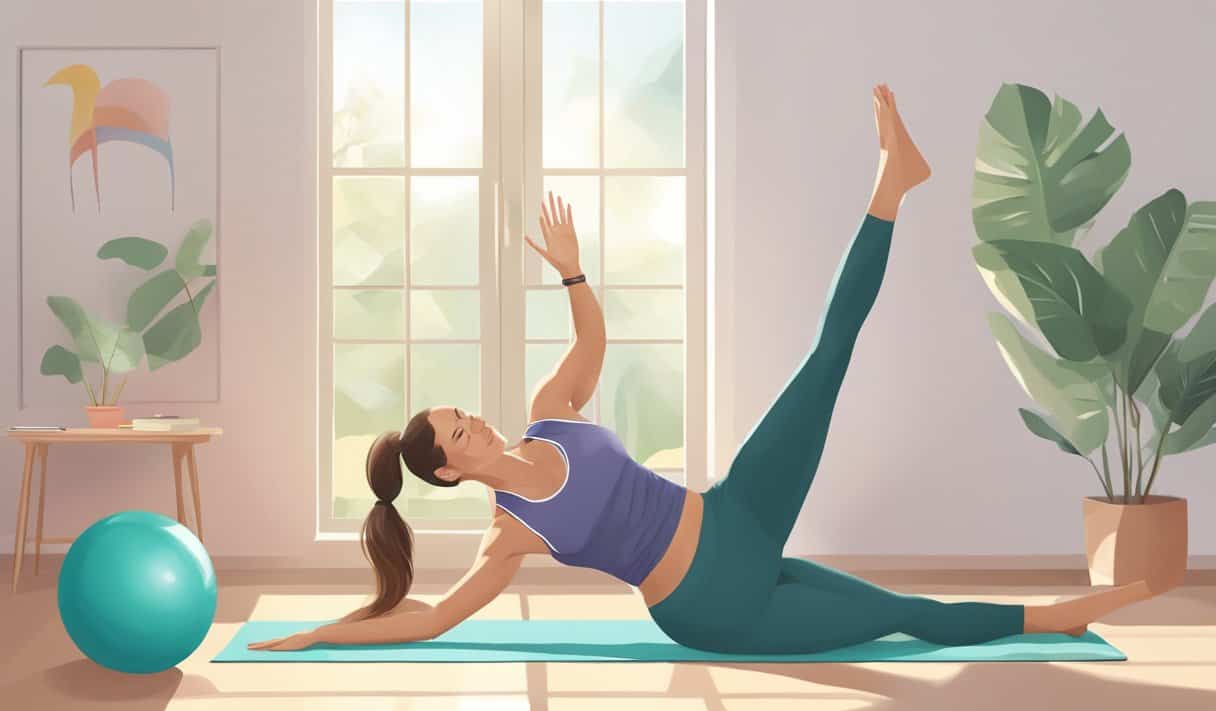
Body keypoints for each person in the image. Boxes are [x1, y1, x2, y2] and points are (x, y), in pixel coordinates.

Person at [251, 85, 1171, 653]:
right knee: (902, 614)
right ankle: (1058, 617)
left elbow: (591, 346)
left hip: (735, 511)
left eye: (464, 414)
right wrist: (324, 632)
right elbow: (437, 619)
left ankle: (892, 186)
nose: (476, 425)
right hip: (712, 603)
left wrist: (571, 270)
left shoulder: (546, 415)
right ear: (449, 471)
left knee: (826, 361)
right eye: (459, 434)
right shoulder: (511, 535)